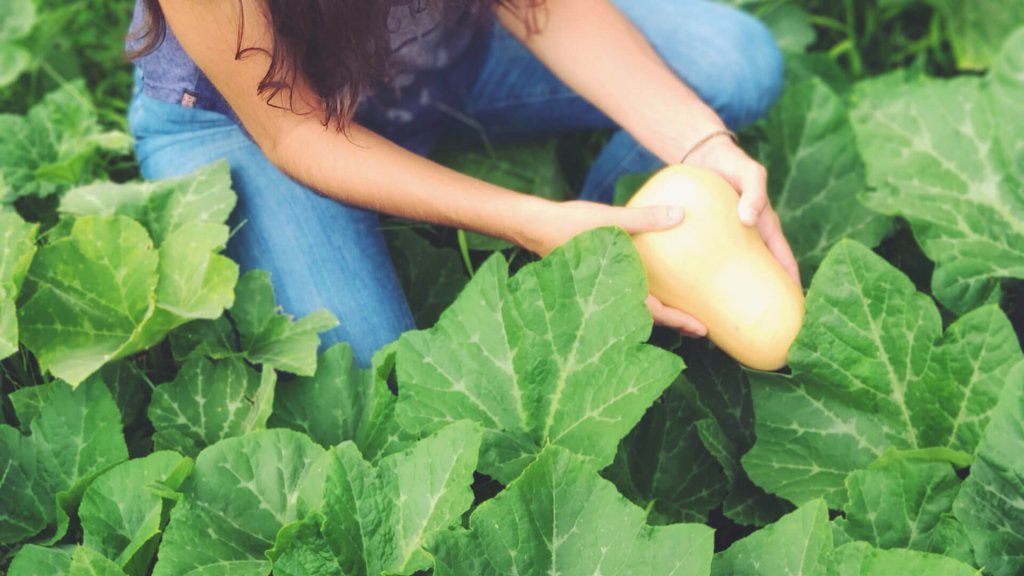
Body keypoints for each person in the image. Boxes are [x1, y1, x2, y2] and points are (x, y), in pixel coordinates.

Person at [126, 0, 800, 368]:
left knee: (735, 66)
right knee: (367, 373)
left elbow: (544, 6)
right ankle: (575, 236)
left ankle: (617, 239)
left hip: (434, 55)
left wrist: (698, 140)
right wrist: (527, 219)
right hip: (254, 118)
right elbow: (296, 132)